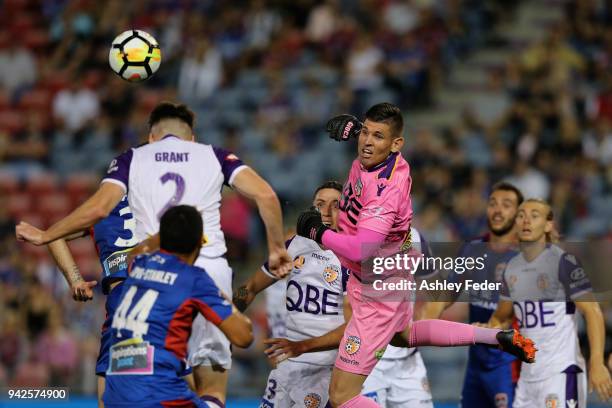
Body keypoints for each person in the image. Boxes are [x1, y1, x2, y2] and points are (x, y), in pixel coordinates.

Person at [16, 102, 293, 406]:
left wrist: (66, 267)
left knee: (120, 393)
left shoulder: (113, 196)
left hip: (134, 299)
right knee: (205, 386)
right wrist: (275, 248)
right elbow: (265, 194)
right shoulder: (208, 158)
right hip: (193, 277)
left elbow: (85, 217)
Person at [295, 103, 536, 407]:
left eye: (377, 136)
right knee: (404, 334)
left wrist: (319, 233)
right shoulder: (389, 158)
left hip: (376, 292)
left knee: (341, 396)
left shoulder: (383, 193)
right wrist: (359, 129)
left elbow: (362, 248)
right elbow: (376, 140)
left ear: (396, 144)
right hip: (392, 275)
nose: (367, 142)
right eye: (366, 133)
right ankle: (494, 337)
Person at [103, 205, 253, 408]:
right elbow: (244, 337)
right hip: (159, 396)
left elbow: (135, 252)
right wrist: (221, 292)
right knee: (214, 396)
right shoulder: (194, 280)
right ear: (199, 244)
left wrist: (161, 235)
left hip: (115, 396)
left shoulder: (138, 264)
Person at [486, 199, 612, 406]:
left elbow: (592, 312)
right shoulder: (511, 268)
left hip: (561, 371)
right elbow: (501, 317)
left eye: (534, 215)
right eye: (521, 215)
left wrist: (596, 362)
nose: (526, 220)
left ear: (548, 225)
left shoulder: (563, 262)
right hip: (528, 377)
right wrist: (488, 330)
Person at [234, 180, 348, 407]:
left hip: (325, 369)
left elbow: (354, 328)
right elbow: (252, 287)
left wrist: (303, 346)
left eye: (335, 205)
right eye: (320, 204)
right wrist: (227, 316)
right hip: (288, 363)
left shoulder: (352, 257)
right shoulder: (294, 245)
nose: (326, 212)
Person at [421, 182, 523, 408]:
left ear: (518, 214)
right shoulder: (473, 248)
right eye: (493, 203)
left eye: (506, 205)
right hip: (476, 364)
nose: (498, 210)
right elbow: (448, 293)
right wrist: (426, 318)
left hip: (509, 365)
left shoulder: (525, 256)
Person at [46, 194, 139, 407]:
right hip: (164, 296)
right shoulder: (160, 198)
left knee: (111, 393)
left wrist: (75, 280)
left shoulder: (99, 209)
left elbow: (53, 235)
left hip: (124, 306)